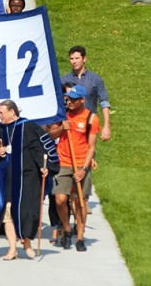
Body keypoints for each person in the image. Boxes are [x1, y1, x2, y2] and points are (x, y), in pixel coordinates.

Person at [0, 101, 60, 260]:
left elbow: (41, 149)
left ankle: (27, 243)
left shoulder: (29, 127)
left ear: (12, 112)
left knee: (28, 212)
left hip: (27, 178)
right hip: (5, 178)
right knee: (8, 213)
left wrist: (44, 167)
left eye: (1, 112)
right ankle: (12, 249)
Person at [54, 85, 99, 252]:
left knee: (80, 202)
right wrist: (61, 128)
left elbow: (92, 146)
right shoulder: (62, 115)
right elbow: (51, 135)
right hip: (63, 162)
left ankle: (80, 237)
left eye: (74, 99)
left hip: (81, 163)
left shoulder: (91, 118)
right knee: (60, 200)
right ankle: (67, 229)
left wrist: (84, 169)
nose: (70, 101)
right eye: (68, 98)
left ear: (82, 100)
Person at [60, 46, 112, 141]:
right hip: (71, 125)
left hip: (89, 125)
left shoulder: (95, 79)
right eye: (71, 59)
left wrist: (106, 126)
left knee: (90, 152)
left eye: (77, 58)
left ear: (84, 59)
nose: (74, 61)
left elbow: (104, 102)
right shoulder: (63, 80)